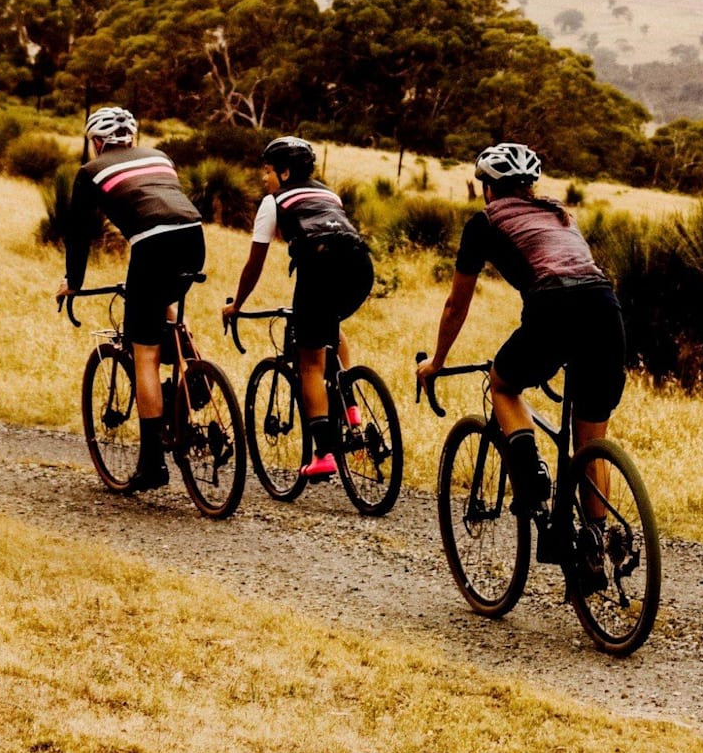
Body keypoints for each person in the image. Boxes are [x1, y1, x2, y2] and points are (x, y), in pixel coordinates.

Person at [415, 141, 625, 578]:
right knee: (589, 446)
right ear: (530, 186)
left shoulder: (484, 222)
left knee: (504, 384)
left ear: (488, 188)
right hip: (606, 310)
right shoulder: (560, 213)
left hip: (553, 310)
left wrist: (436, 361)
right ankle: (595, 545)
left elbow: (457, 304)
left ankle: (530, 479)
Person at [56, 105, 206, 492]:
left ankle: (152, 464)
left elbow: (79, 233)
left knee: (145, 353)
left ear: (96, 141)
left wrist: (73, 281)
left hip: (152, 245)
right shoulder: (160, 157)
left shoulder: (91, 172)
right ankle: (195, 370)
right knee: (165, 302)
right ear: (132, 138)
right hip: (194, 236)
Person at [222, 135, 376, 479]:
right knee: (331, 325)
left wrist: (237, 305)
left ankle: (324, 454)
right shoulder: (328, 193)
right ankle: (351, 409)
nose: (264, 179)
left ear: (285, 172)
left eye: (268, 172)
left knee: (309, 362)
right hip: (361, 266)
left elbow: (254, 264)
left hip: (319, 269)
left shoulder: (273, 201)